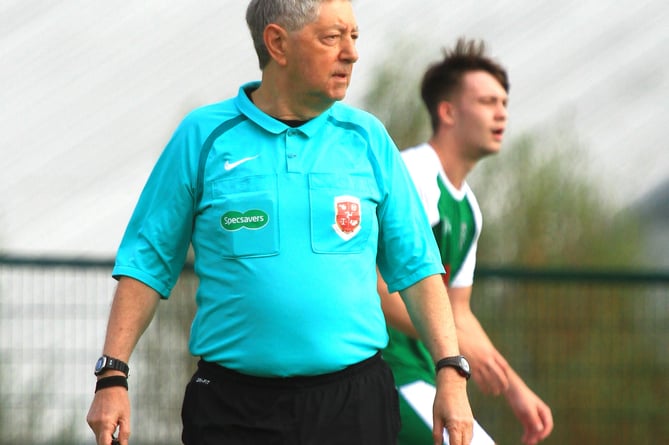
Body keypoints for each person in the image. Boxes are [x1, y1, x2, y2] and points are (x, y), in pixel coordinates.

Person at [86, 2, 474, 445]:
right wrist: (111, 376)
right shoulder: (202, 137)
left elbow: (419, 268)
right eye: (332, 38)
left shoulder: (368, 140)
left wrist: (451, 371)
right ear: (277, 43)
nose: (351, 53)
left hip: (355, 405)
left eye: (354, 37)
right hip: (231, 408)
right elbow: (147, 261)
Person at [379, 38, 554, 445]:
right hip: (386, 374)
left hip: (425, 376)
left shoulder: (468, 209)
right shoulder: (412, 176)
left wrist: (513, 387)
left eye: (505, 103)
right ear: (448, 111)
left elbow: (458, 311)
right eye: (488, 101)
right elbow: (375, 284)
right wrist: (453, 349)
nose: (501, 113)